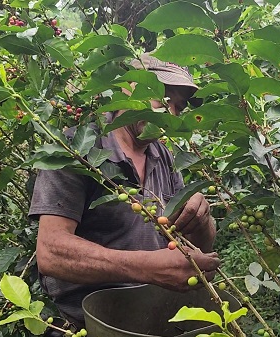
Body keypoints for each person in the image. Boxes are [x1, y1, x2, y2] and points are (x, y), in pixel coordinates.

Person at [28, 53, 219, 333]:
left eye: (178, 107)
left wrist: (202, 221)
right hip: (88, 324)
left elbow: (191, 244)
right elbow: (51, 252)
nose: (171, 113)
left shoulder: (165, 157)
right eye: (164, 99)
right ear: (126, 89)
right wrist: (146, 267)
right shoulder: (78, 149)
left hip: (151, 320)